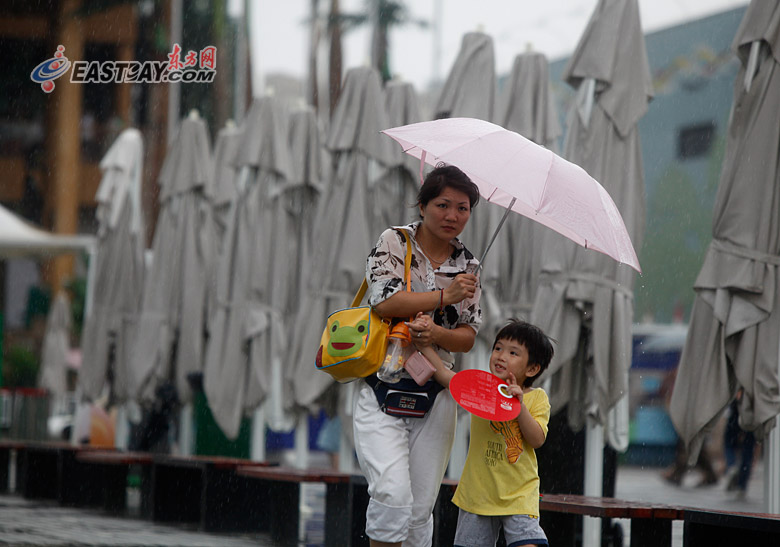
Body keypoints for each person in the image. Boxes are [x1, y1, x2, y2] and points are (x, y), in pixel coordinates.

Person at [354, 163, 482, 547]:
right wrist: (446, 296)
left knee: (419, 509)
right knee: (392, 495)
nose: (453, 216)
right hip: (383, 382)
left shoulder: (470, 265)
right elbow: (384, 301)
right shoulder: (394, 242)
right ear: (422, 205)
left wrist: (436, 333)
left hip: (437, 393)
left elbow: (467, 337)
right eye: (443, 205)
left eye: (462, 208)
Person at [410, 318, 553, 547]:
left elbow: (537, 439)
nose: (501, 356)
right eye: (498, 348)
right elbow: (446, 376)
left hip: (519, 493)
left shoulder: (536, 397)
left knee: (529, 543)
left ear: (532, 368)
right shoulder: (481, 388)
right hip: (478, 492)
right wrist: (423, 346)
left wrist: (520, 407)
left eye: (513, 353)